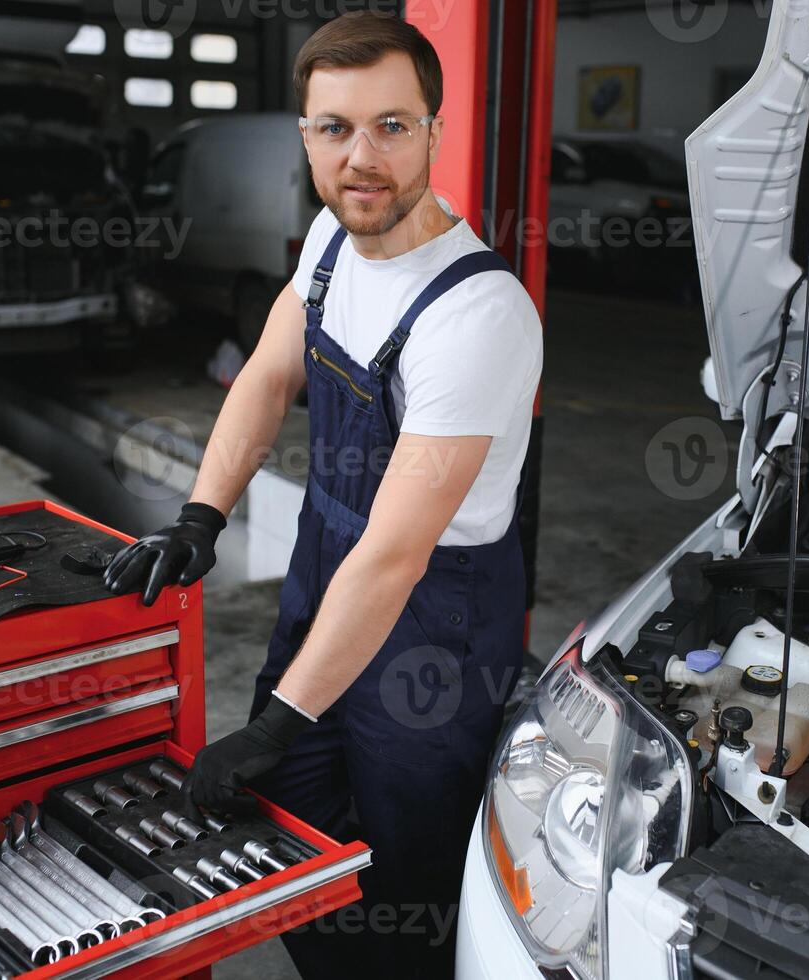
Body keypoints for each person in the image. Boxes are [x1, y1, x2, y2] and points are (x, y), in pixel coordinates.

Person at [102, 10, 542, 977]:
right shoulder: (330, 244)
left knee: (405, 874)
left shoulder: (475, 313)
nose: (362, 157)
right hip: (326, 574)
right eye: (333, 128)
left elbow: (396, 553)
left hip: (433, 619)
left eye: (392, 125)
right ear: (304, 135)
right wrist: (200, 516)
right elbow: (265, 375)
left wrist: (273, 723)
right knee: (296, 841)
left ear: (435, 128)